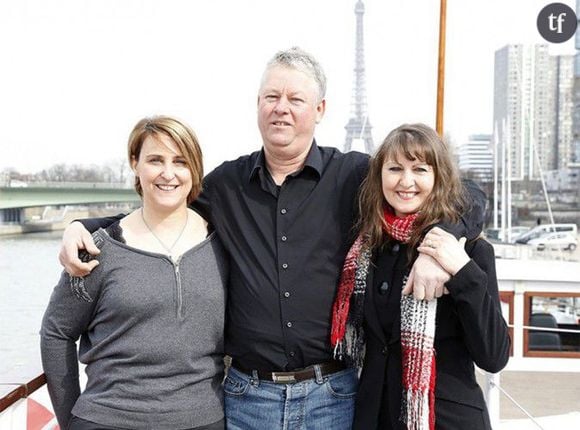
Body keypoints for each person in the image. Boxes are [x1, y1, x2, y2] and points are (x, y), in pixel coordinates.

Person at [57, 49, 486, 429]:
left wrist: (438, 247)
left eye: (295, 99)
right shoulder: (226, 186)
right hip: (247, 399)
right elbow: (164, 201)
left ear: (319, 109)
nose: (282, 109)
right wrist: (88, 225)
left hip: (332, 397)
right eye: (271, 98)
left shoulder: (356, 176)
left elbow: (462, 194)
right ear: (258, 106)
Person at [41, 116, 228, 430]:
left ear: (194, 169)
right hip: (108, 419)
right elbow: (56, 332)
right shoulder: (99, 249)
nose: (168, 173)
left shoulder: (223, 244)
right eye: (155, 160)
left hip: (202, 420)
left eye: (180, 161)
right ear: (135, 164)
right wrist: (71, 421)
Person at [330, 123, 510, 429]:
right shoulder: (366, 246)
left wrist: (461, 271)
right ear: (380, 176)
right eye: (395, 168)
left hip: (446, 420)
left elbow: (493, 356)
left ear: (438, 178)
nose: (406, 181)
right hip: (375, 418)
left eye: (420, 170)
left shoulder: (468, 251)